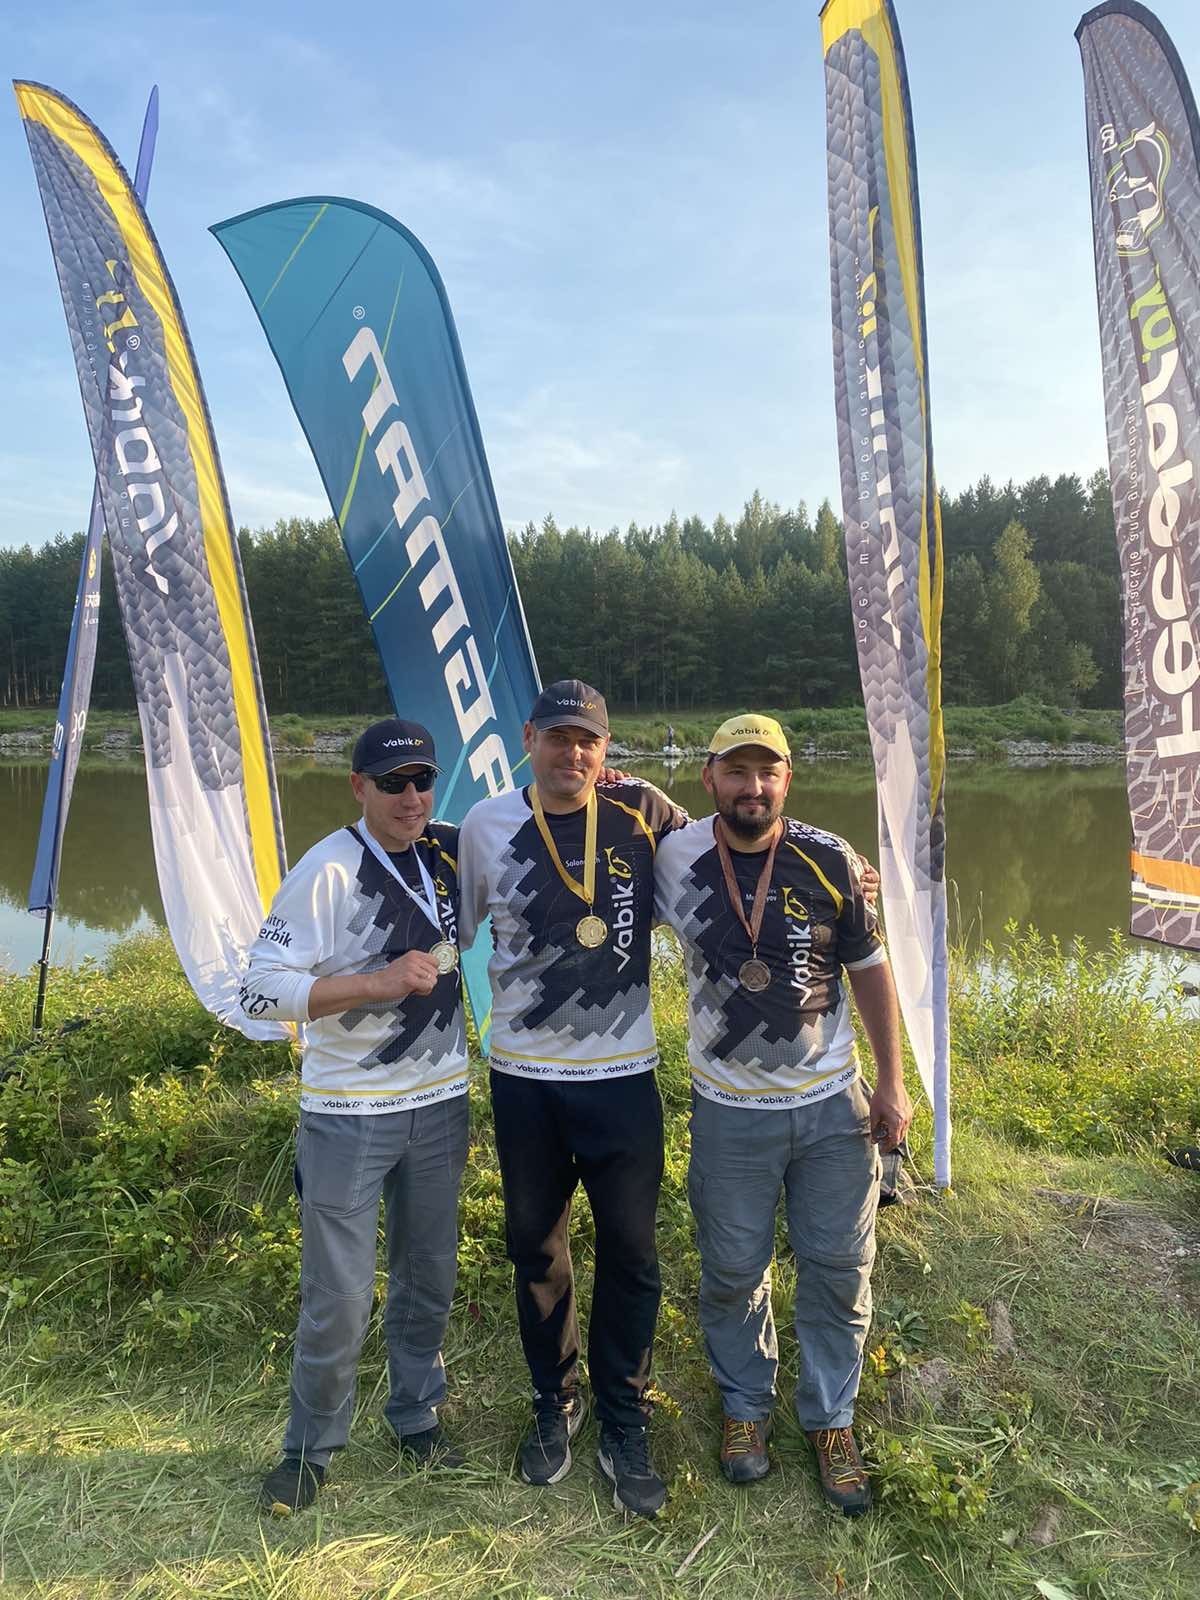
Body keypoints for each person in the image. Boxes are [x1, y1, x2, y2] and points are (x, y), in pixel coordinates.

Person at [654, 713, 911, 1515]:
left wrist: (893, 1085)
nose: (753, 787)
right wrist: (607, 774)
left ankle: (831, 1420)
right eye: (737, 771)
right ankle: (746, 1407)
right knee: (734, 1271)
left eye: (767, 772)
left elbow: (870, 970)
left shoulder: (831, 858)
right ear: (709, 778)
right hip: (729, 1111)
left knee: (840, 1269)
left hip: (832, 1109)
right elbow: (603, 816)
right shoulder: (675, 856)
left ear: (787, 779)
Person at [457, 680, 687, 1519]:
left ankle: (624, 1412)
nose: (573, 753)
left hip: (622, 1075)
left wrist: (849, 871)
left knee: (632, 1252)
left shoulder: (644, 814)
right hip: (525, 1079)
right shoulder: (485, 826)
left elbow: (732, 862)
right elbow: (450, 930)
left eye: (587, 740)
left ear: (605, 747)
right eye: (558, 737)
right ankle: (555, 1400)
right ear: (528, 739)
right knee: (535, 1249)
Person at [239, 718, 469, 1515]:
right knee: (339, 1296)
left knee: (428, 1277)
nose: (411, 798)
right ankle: (308, 1451)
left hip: (439, 1104)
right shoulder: (327, 869)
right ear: (358, 787)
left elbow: (537, 837)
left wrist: (614, 784)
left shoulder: (449, 854)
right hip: (348, 1113)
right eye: (393, 784)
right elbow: (257, 991)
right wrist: (374, 983)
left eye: (422, 781)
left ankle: (416, 1416)